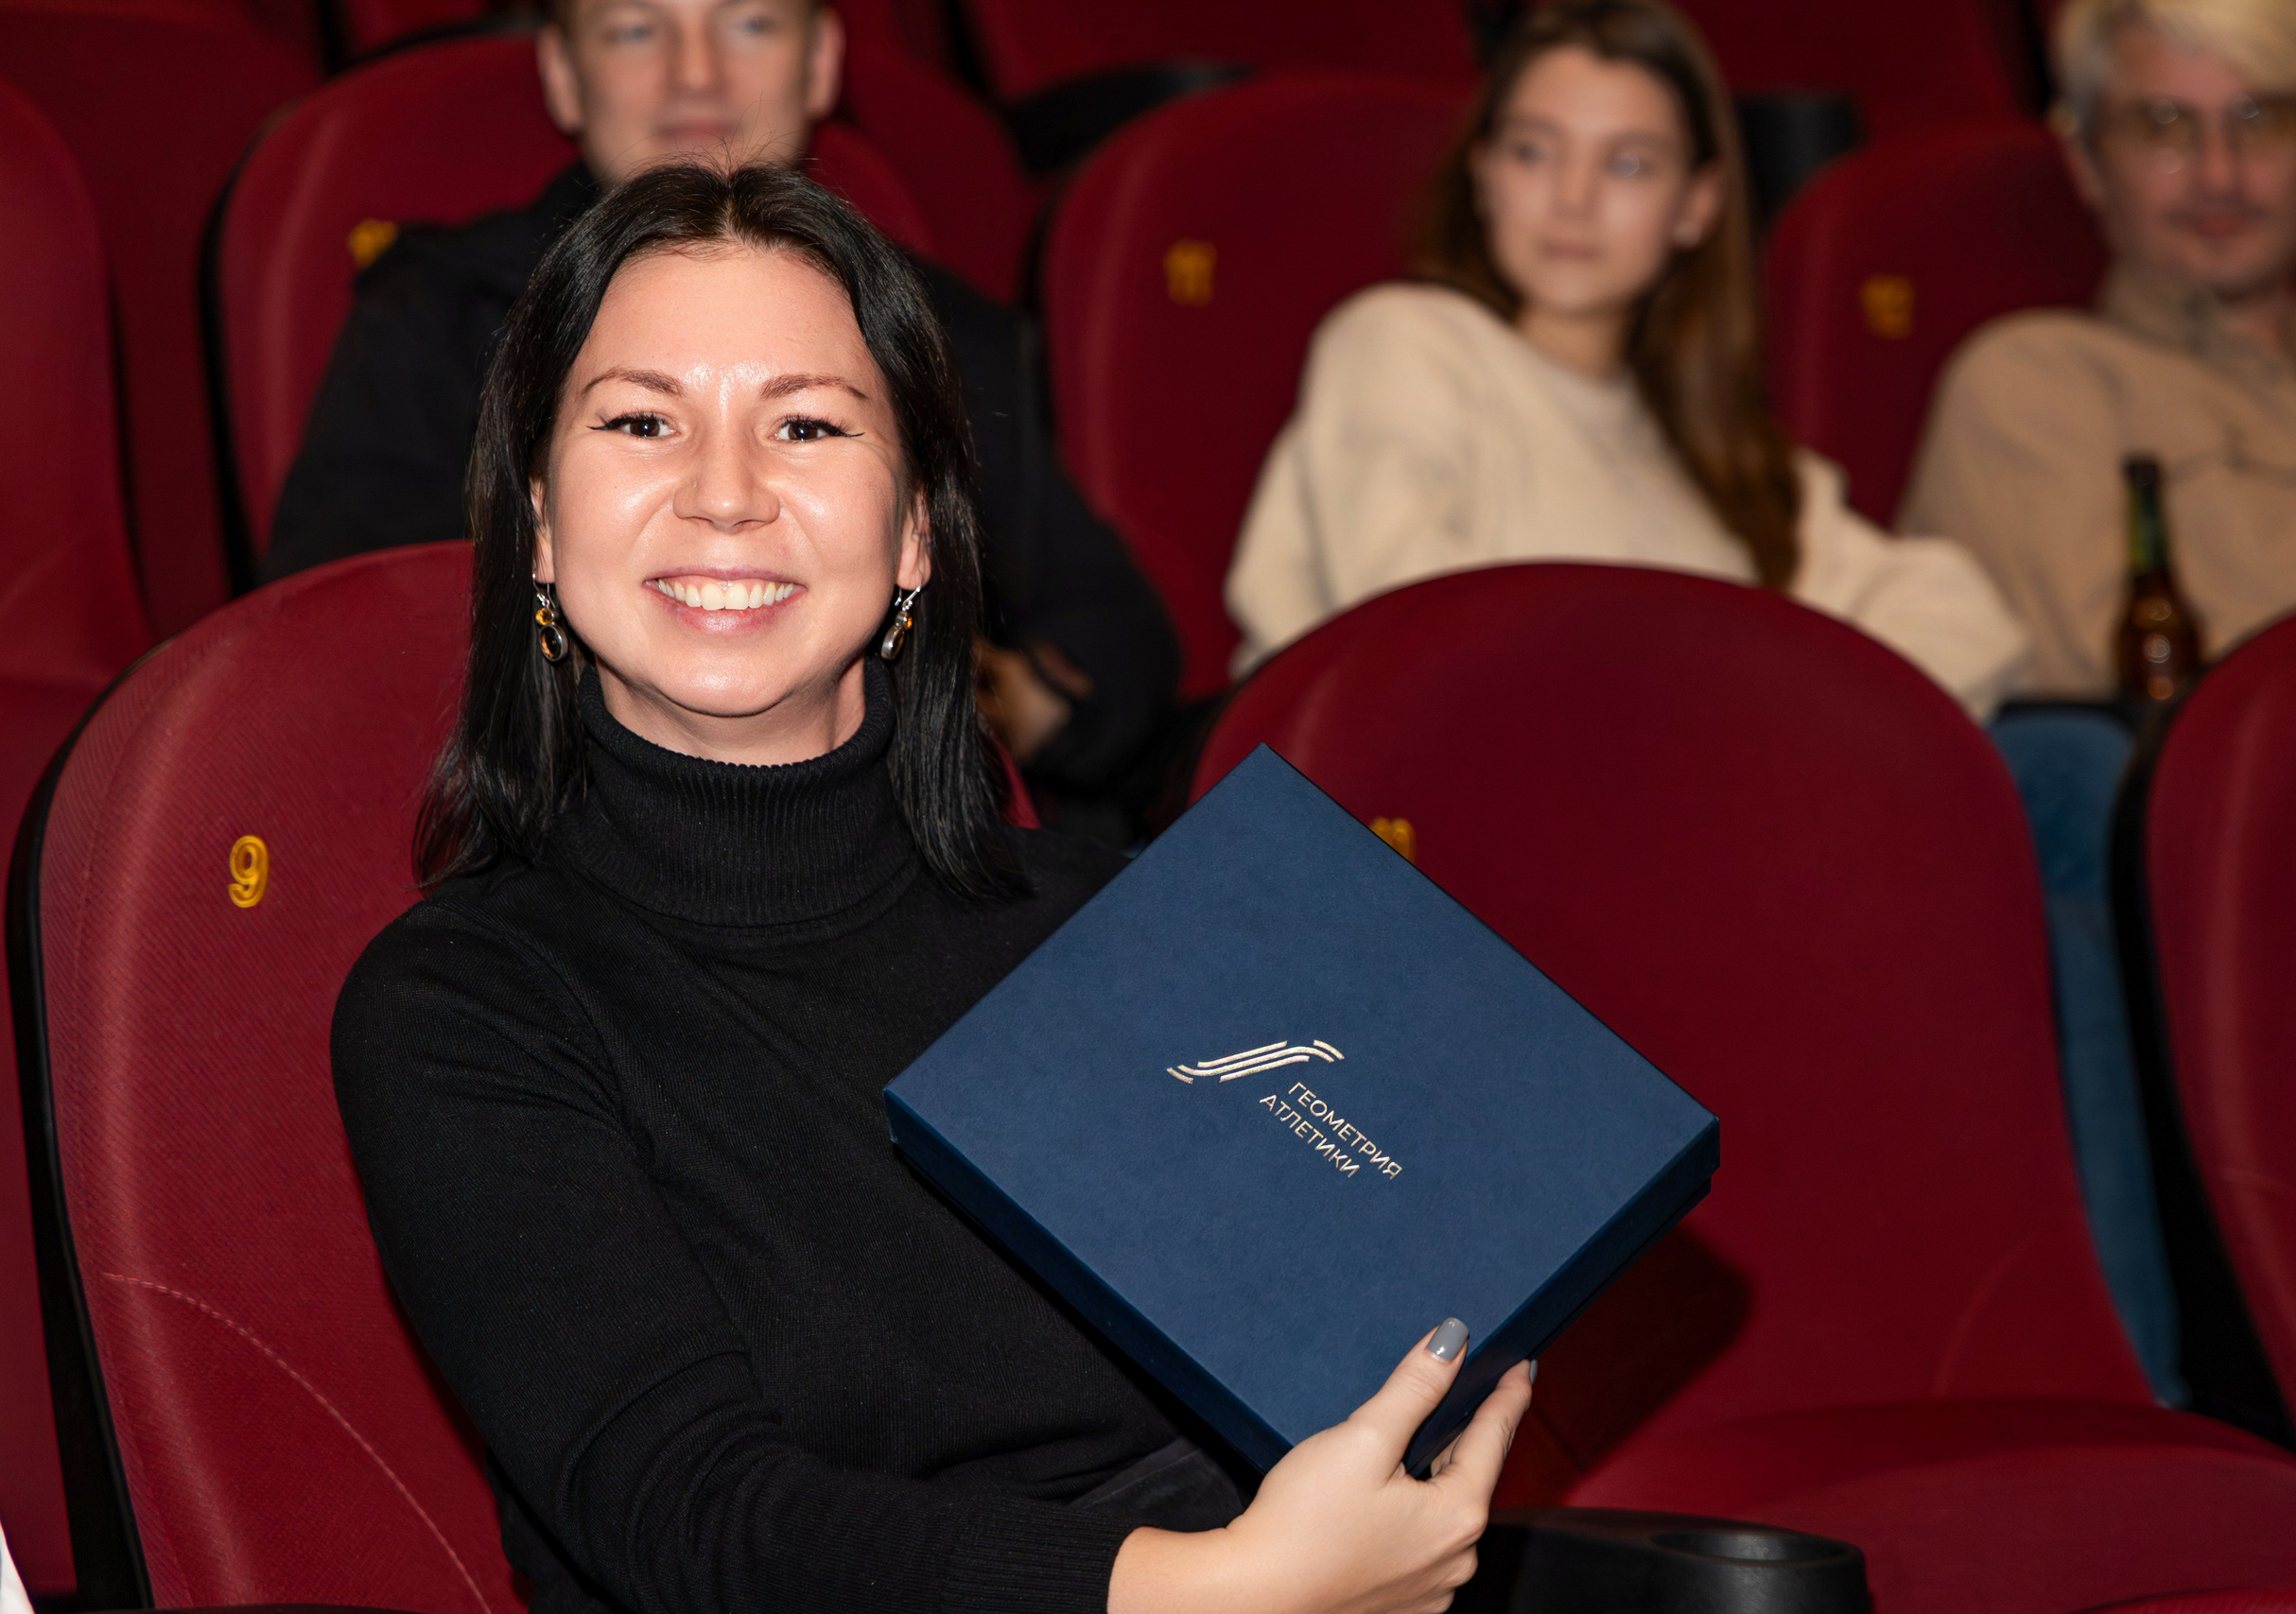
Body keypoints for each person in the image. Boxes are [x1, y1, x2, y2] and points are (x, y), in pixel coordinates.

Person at [332, 162, 1531, 1614]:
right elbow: (694, 1521)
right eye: (643, 421)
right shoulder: (466, 1005)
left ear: (914, 535)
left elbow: (1373, 1318)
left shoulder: (1126, 926)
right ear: (533, 519)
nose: (724, 494)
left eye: (808, 425)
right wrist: (1218, 1591)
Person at [268, 0, 1175, 806]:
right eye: (634, 29)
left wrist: (1004, 694)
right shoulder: (441, 311)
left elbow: (1119, 634)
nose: (694, 74)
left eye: (748, 23)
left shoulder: (935, 326)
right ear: (562, 75)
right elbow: (348, 640)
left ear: (822, 60)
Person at [1224, 0, 2026, 720]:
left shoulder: (1727, 458)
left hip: (1662, 825)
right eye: (1535, 151)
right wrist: (1744, 695)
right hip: (1378, 829)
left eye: (1628, 162)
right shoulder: (1401, 344)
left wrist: (1778, 721)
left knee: (2059, 760)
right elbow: (1415, 640)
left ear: (1696, 207)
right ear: (1482, 174)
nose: (1573, 199)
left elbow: (1963, 619)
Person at [1901, 0, 2296, 698]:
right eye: (2163, 127)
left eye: (2261, 122)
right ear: (2085, 161)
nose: (2219, 175)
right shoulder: (2035, 387)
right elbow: (2108, 704)